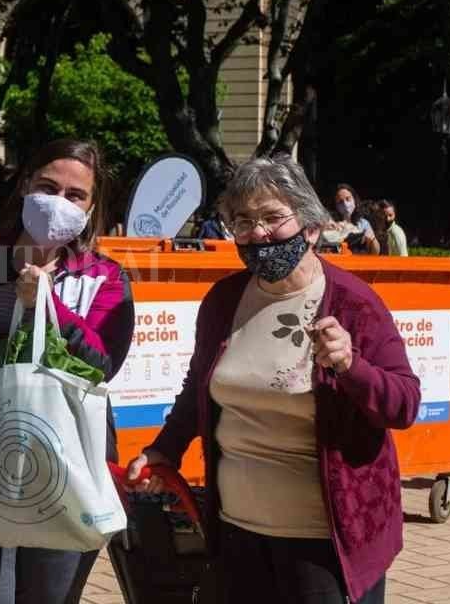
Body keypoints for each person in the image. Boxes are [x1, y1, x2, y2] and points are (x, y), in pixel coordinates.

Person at [126, 155, 420, 604]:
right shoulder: (224, 300)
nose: (258, 233)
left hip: (325, 546)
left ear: (311, 226)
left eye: (273, 217)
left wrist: (351, 366)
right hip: (235, 535)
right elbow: (197, 391)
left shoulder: (354, 304)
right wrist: (164, 450)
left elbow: (404, 405)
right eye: (242, 221)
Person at [0, 138, 135, 604]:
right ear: (24, 188)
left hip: (66, 466)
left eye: (75, 195)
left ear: (92, 207)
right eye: (47, 186)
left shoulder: (105, 277)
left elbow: (102, 365)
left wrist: (48, 306)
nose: (59, 202)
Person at [322, 184, 380, 254]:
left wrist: (372, 239)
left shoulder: (363, 223)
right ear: (335, 205)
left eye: (348, 199)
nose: (345, 204)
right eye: (340, 202)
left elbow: (375, 253)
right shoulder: (331, 224)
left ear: (354, 199)